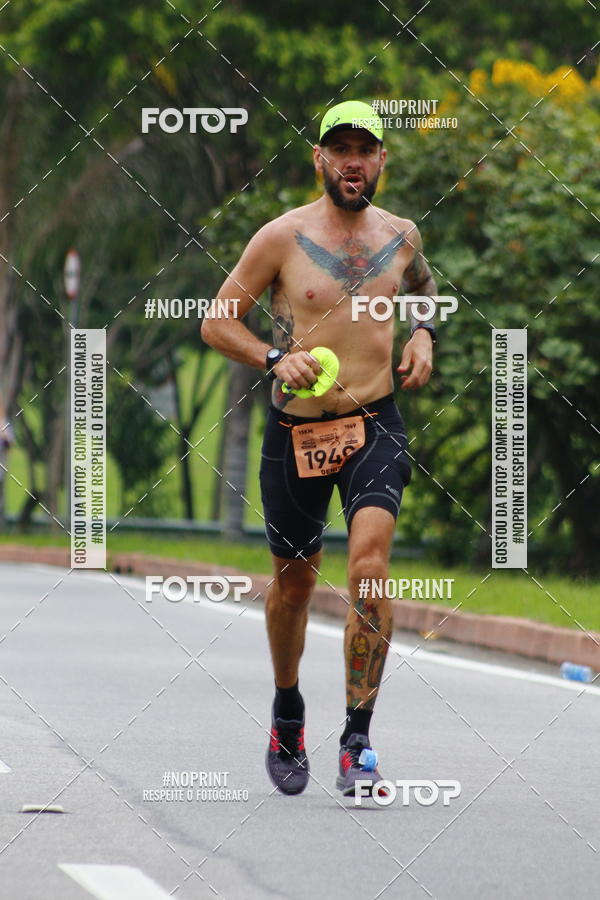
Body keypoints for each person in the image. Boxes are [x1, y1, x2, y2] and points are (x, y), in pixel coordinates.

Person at [201, 99, 437, 797]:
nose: (354, 161)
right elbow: (217, 322)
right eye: (342, 149)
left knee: (369, 567)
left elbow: (424, 292)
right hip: (296, 430)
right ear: (320, 159)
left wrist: (424, 333)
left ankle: (358, 738)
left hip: (374, 422)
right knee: (294, 586)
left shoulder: (402, 237)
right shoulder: (281, 237)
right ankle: (287, 711)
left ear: (382, 161)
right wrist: (275, 358)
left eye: (366, 149)